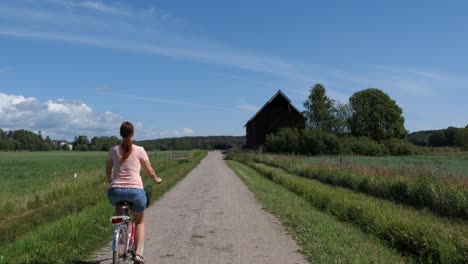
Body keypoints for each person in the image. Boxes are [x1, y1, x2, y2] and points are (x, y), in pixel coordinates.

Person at [106, 121, 162, 264]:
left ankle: (119, 235)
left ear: (120, 133)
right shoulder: (140, 150)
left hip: (115, 191)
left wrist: (110, 181)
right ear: (133, 134)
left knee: (119, 208)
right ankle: (137, 255)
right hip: (135, 191)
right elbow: (149, 171)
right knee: (140, 221)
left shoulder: (113, 150)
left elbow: (108, 171)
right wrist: (156, 179)